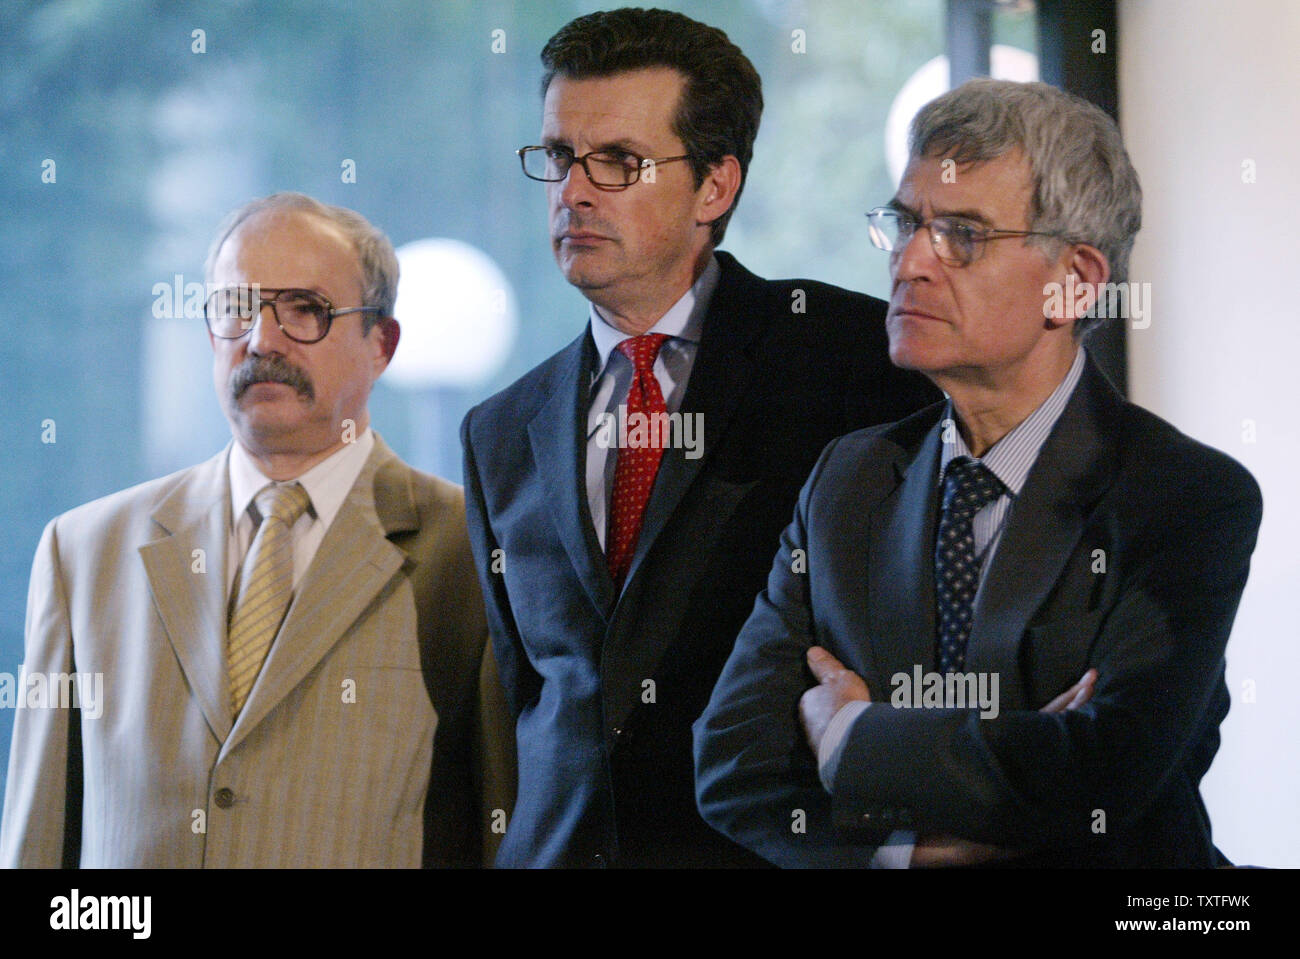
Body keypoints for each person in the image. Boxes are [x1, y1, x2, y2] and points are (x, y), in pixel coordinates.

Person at [694, 78, 1264, 868]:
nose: (911, 261)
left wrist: (852, 734)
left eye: (963, 234)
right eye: (905, 223)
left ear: (1077, 281)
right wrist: (909, 852)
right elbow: (733, 762)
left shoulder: (1187, 496)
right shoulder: (850, 476)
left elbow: (1104, 777)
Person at [460, 7, 938, 868]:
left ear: (715, 186)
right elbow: (528, 708)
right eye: (561, 158)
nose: (574, 190)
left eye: (618, 162)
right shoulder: (498, 432)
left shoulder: (857, 363)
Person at [0, 192, 498, 868]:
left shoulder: (474, 552)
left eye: (305, 311)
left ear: (381, 344)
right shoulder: (84, 553)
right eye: (238, 309)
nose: (262, 339)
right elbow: (37, 848)